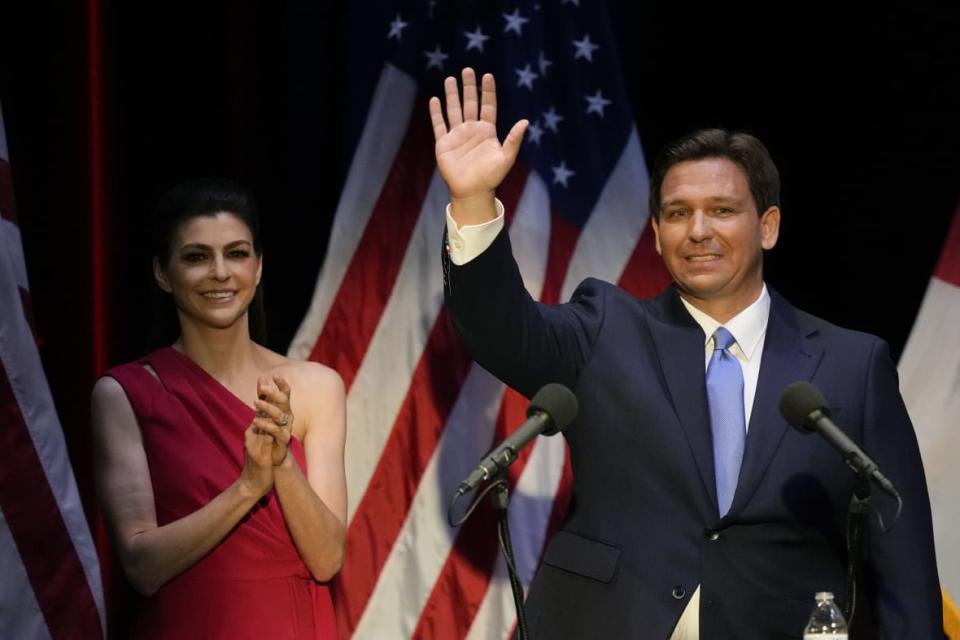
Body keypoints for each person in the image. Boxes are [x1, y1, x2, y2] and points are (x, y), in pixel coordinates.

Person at [430, 68, 943, 638]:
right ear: (656, 233)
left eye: (722, 210)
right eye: (678, 213)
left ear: (768, 227)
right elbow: (498, 330)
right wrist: (473, 199)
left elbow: (903, 566)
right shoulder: (607, 327)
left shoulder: (852, 366)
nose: (698, 230)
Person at [91, 178, 346, 638]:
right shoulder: (123, 393)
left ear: (259, 265)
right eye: (196, 257)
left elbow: (327, 559)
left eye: (236, 253)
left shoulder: (317, 386)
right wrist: (248, 486)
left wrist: (282, 461)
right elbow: (141, 567)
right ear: (163, 274)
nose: (220, 272)